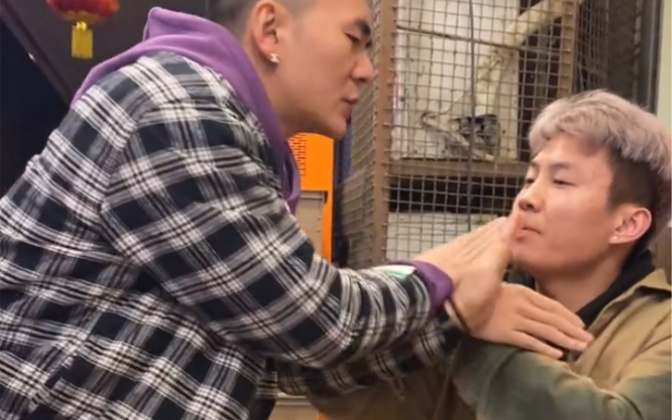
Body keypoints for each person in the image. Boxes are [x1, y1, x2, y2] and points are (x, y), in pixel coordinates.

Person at [0, 2, 589, 420]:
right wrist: (444, 282)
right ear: (271, 28)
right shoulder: (176, 103)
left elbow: (295, 358)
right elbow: (318, 320)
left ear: (629, 221)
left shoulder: (234, 138)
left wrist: (454, 315)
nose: (368, 69)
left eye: (562, 180)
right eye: (355, 39)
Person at [277, 90, 672, 420]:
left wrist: (471, 328)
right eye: (530, 179)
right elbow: (339, 384)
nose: (527, 198)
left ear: (627, 224)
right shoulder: (486, 302)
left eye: (562, 182)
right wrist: (441, 305)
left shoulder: (661, 329)